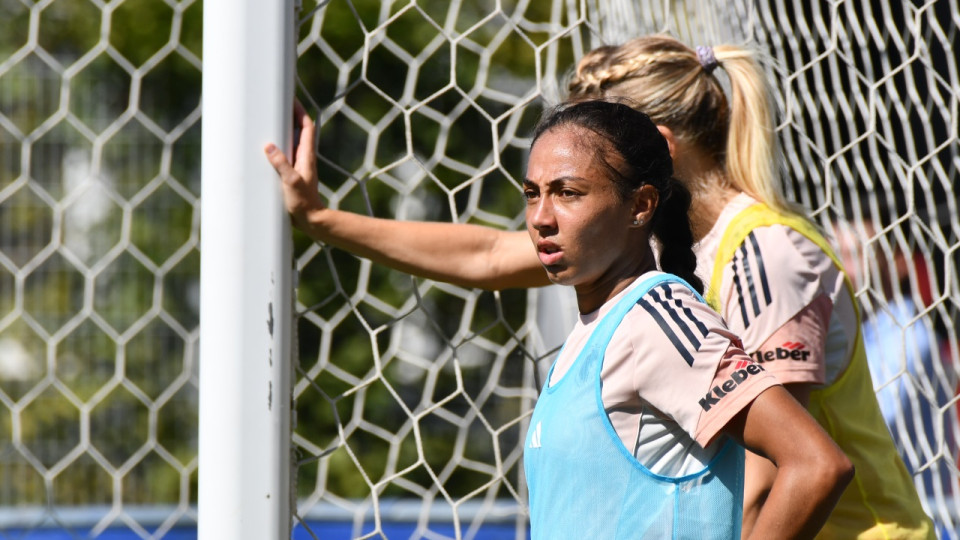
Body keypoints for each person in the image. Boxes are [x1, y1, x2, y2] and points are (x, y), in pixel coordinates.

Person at [265, 35, 933, 538]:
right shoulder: (639, 250)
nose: (546, 209)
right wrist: (322, 220)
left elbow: (779, 469)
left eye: (580, 169)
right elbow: (491, 254)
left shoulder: (764, 255)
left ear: (652, 160)